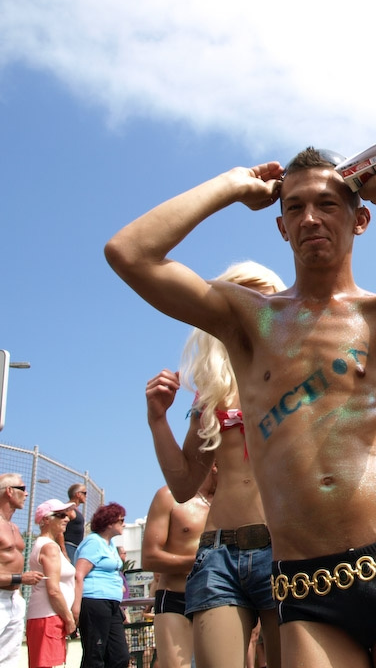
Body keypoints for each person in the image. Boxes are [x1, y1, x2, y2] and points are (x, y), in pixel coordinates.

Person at [105, 145, 376, 667]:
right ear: (281, 226)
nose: (310, 217)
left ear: (360, 219)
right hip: (305, 582)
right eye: (295, 206)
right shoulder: (248, 320)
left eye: (327, 204)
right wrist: (232, 185)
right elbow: (129, 253)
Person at [145, 261, 286, 668]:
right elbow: (184, 485)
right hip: (218, 555)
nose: (253, 308)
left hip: (285, 548)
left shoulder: (300, 374)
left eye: (265, 300)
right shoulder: (212, 390)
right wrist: (158, 420)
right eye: (241, 299)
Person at [141, 470, 216, 668]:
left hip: (218, 598)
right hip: (176, 598)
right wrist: (202, 561)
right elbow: (149, 558)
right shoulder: (168, 497)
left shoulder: (231, 503)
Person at [73, 502, 130, 668]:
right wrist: (76, 607)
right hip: (95, 600)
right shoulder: (94, 542)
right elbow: (79, 574)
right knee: (95, 655)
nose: (124, 524)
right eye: (121, 520)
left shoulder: (109, 544)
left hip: (111, 603)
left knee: (120, 656)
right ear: (109, 522)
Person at [0, 474, 45, 667]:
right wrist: (20, 578)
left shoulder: (14, 527)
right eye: (22, 488)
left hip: (14, 599)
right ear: (9, 491)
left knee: (9, 660)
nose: (26, 494)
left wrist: (17, 592)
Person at [26, 499, 77, 668]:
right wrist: (69, 619)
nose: (67, 518)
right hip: (49, 617)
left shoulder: (45, 545)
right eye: (60, 515)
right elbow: (53, 590)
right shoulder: (49, 547)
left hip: (48, 616)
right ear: (46, 520)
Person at [64, 483, 88, 560]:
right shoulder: (68, 509)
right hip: (68, 547)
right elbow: (59, 531)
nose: (86, 496)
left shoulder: (74, 509)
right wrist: (64, 551)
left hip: (75, 548)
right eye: (84, 493)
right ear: (78, 494)